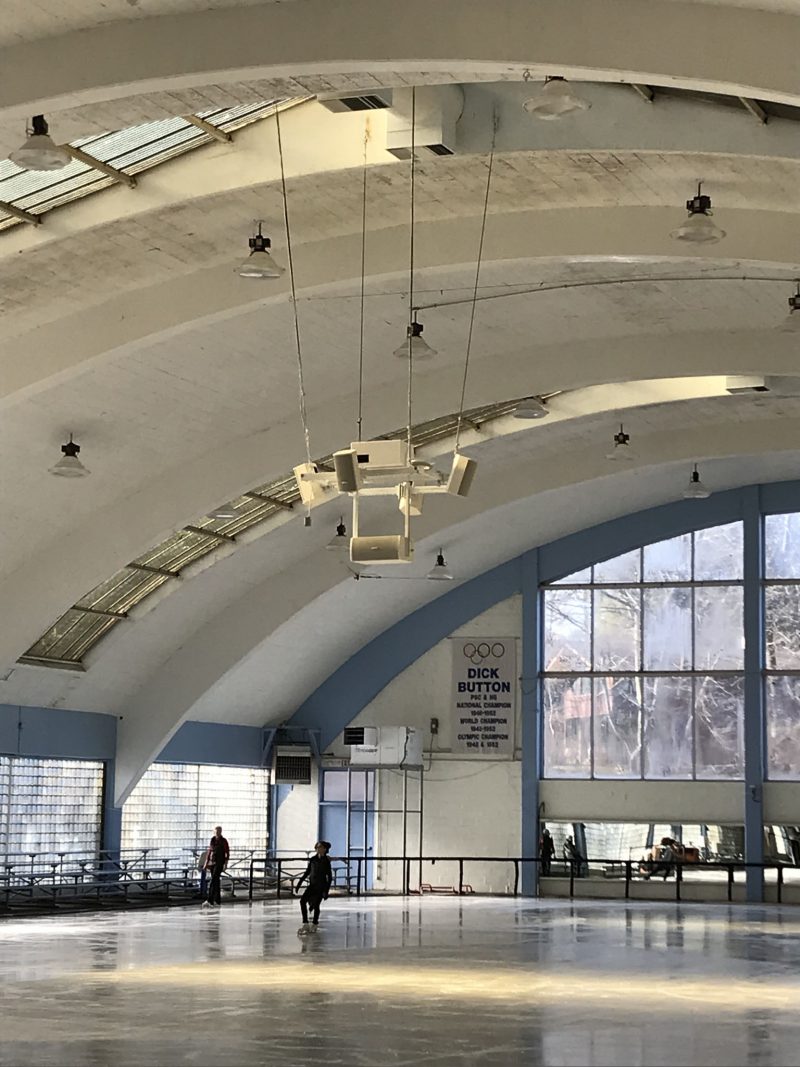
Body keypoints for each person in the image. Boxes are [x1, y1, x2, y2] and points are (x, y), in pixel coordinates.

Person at [295, 840, 333, 935]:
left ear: (324, 849)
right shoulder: (313, 859)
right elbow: (307, 872)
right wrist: (299, 882)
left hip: (321, 886)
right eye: (317, 847)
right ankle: (305, 923)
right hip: (312, 885)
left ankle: (315, 923)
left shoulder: (326, 861)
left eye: (320, 847)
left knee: (316, 905)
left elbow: (329, 877)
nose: (318, 849)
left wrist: (326, 890)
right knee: (302, 901)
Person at [202, 826, 229, 908]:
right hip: (212, 862)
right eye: (216, 831)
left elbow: (227, 852)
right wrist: (206, 863)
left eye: (219, 831)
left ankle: (210, 900)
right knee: (216, 882)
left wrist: (226, 864)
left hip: (219, 863)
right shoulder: (212, 840)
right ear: (214, 832)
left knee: (213, 880)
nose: (218, 833)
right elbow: (210, 851)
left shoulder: (224, 841)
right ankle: (217, 900)